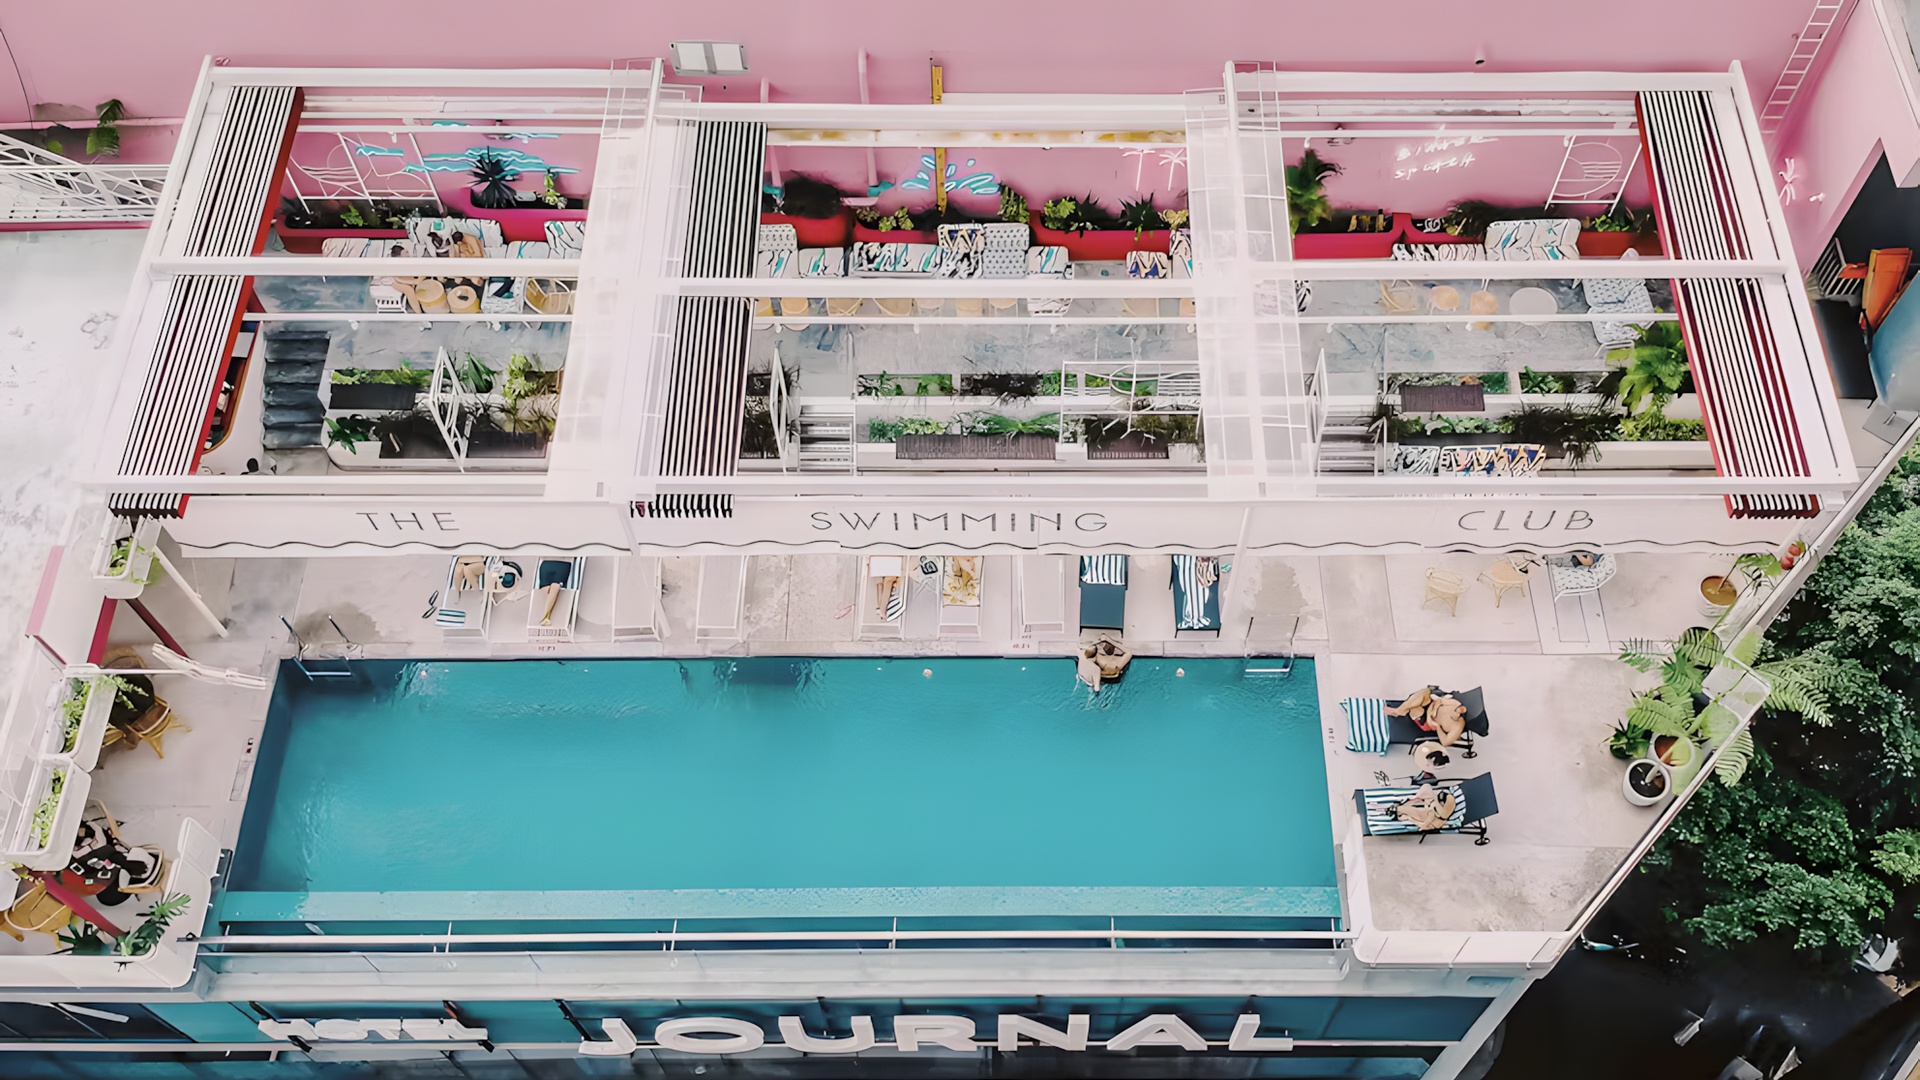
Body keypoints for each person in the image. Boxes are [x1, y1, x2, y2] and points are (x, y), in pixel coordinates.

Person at [534, 559, 572, 626]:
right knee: (545, 590)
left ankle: (545, 616)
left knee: (555, 587)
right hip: (547, 562)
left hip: (563, 563)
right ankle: (546, 617)